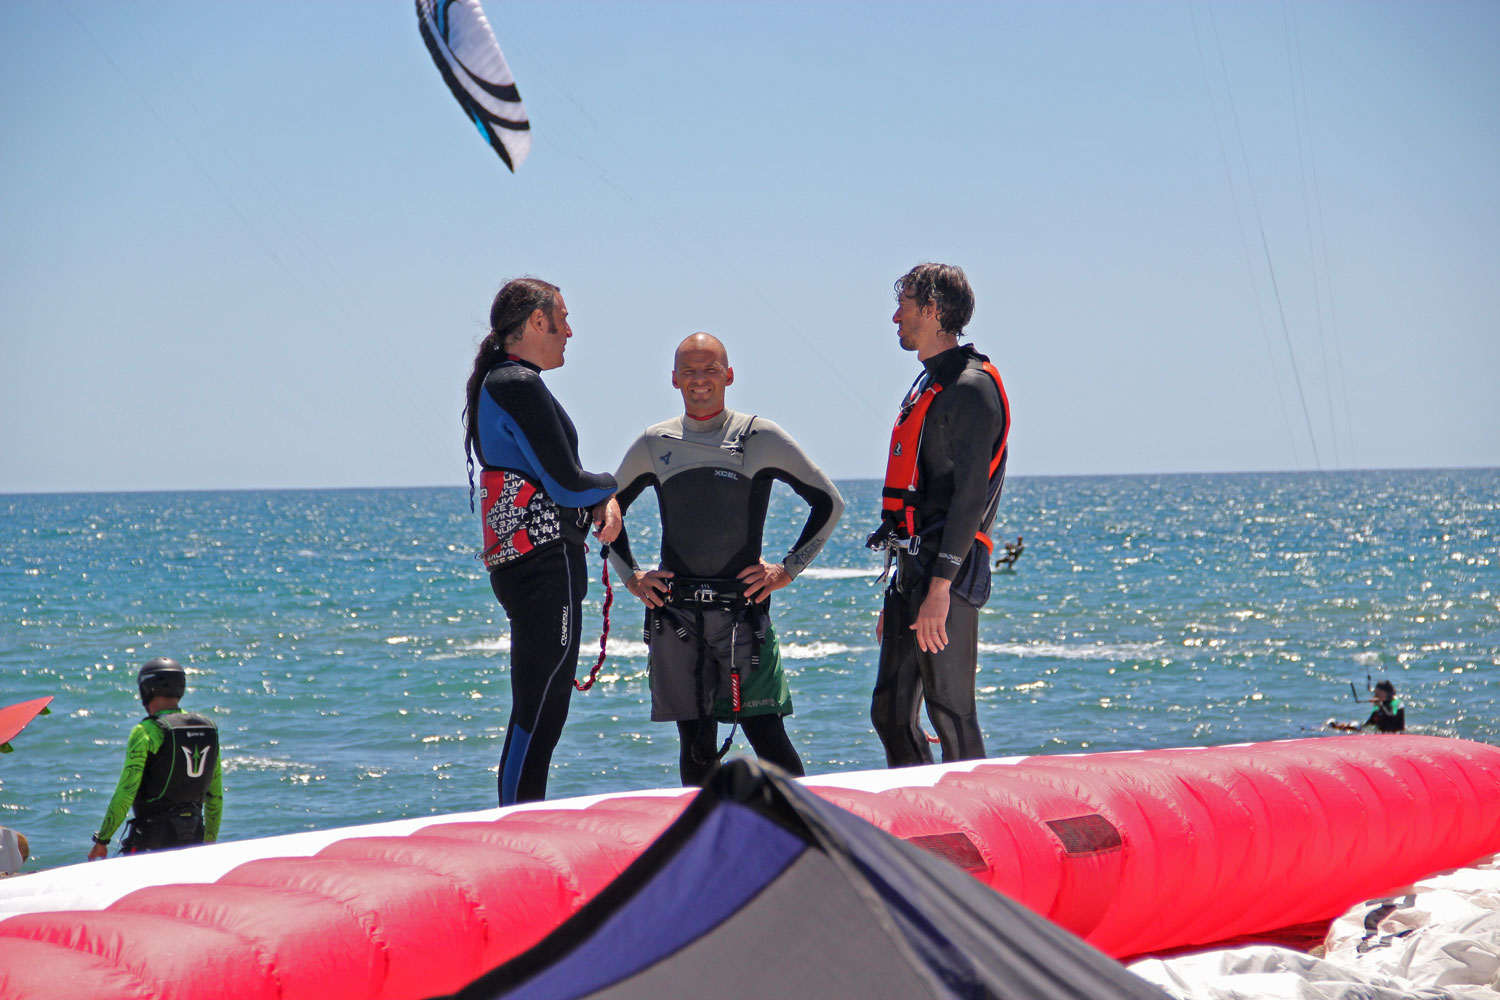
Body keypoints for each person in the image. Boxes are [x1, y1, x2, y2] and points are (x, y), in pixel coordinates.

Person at [608, 333, 844, 786]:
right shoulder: (654, 442)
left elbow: (829, 502)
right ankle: (714, 832)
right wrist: (633, 578)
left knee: (767, 735)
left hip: (742, 616)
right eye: (689, 371)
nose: (700, 380)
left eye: (710, 369)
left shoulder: (760, 436)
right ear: (674, 379)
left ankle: (802, 826)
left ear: (729, 375)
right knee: (695, 745)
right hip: (677, 618)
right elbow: (607, 510)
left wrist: (787, 570)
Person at [463, 277, 622, 805]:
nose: (569, 331)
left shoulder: (508, 380)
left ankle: (522, 817)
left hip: (539, 563)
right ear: (537, 320)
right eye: (563, 319)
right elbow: (567, 485)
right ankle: (513, 824)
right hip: (541, 566)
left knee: (546, 710)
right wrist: (611, 488)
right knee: (537, 710)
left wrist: (599, 497)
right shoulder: (515, 382)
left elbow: (561, 481)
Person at [868, 263, 1010, 768]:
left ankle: (976, 810)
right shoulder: (930, 383)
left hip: (948, 571)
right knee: (889, 713)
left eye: (903, 305)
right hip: (914, 569)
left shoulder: (971, 387)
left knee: (950, 712)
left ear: (932, 310)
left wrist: (939, 588)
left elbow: (971, 496)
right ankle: (920, 806)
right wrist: (906, 586)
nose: (895, 317)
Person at [88, 658, 222, 858]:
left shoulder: (147, 730)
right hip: (194, 837)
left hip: (152, 840)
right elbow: (215, 795)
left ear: (146, 690)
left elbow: (126, 792)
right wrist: (209, 841)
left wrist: (103, 840)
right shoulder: (208, 728)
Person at [1330, 680, 1405, 733]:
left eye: (1377, 694)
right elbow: (1368, 724)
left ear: (1385, 693)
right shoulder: (1378, 708)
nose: (1375, 696)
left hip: (1396, 735)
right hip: (1382, 735)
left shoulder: (1397, 704)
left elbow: (1392, 717)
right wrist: (1349, 726)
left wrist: (1381, 705)